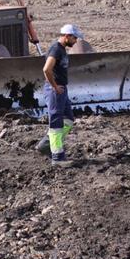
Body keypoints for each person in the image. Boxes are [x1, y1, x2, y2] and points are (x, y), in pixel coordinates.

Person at [41, 24, 83, 165]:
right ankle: (57, 158)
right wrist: (54, 87)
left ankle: (46, 145)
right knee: (56, 123)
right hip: (55, 91)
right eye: (74, 38)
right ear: (67, 36)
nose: (76, 41)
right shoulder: (56, 49)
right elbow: (46, 69)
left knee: (69, 120)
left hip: (62, 90)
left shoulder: (62, 50)